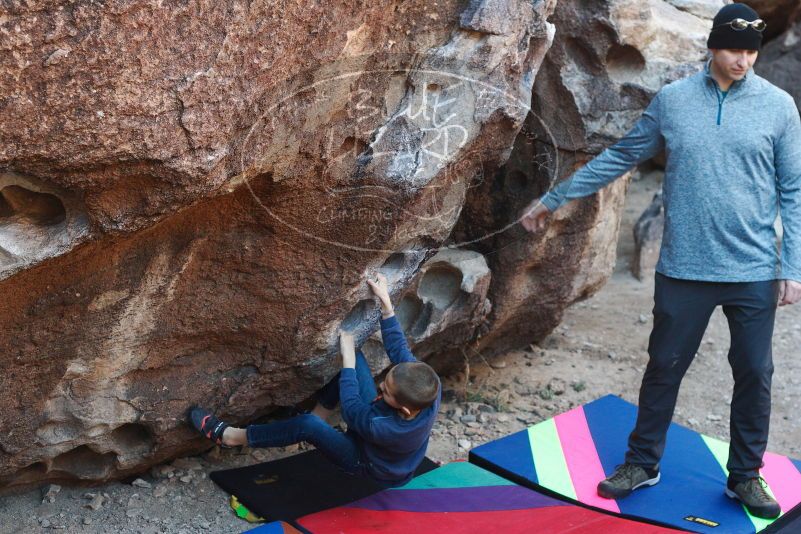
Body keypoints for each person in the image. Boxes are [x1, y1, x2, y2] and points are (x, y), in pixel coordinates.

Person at [520, 3, 800, 520]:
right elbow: (622, 155)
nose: (744, 60)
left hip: (754, 268)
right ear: (713, 46)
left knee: (755, 373)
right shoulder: (673, 102)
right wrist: (555, 197)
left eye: (752, 51)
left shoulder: (779, 107)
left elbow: (794, 189)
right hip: (684, 268)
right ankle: (642, 463)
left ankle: (745, 477)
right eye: (735, 49)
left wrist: (794, 268)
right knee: (664, 369)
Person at [188, 273, 441, 487]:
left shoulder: (381, 426)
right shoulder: (430, 387)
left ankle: (232, 437)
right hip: (383, 444)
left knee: (311, 420)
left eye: (385, 391)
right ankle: (320, 417)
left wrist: (348, 361)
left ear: (405, 409)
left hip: (369, 466)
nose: (379, 386)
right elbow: (400, 353)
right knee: (355, 360)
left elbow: (352, 407)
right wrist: (386, 303)